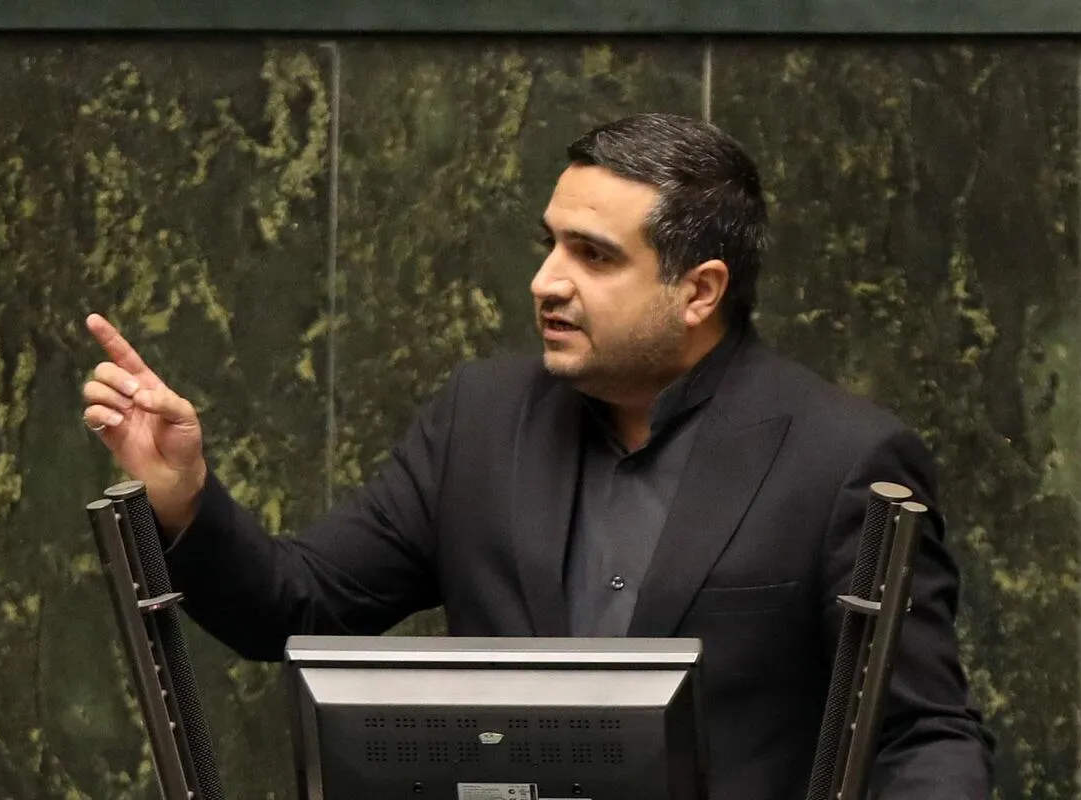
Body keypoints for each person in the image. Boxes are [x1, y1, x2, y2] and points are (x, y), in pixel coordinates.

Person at [82, 113, 994, 798]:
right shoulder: (479, 422)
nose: (546, 280)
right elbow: (296, 604)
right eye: (550, 243)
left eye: (593, 256)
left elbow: (923, 737)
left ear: (699, 291)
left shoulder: (841, 458)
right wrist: (184, 497)